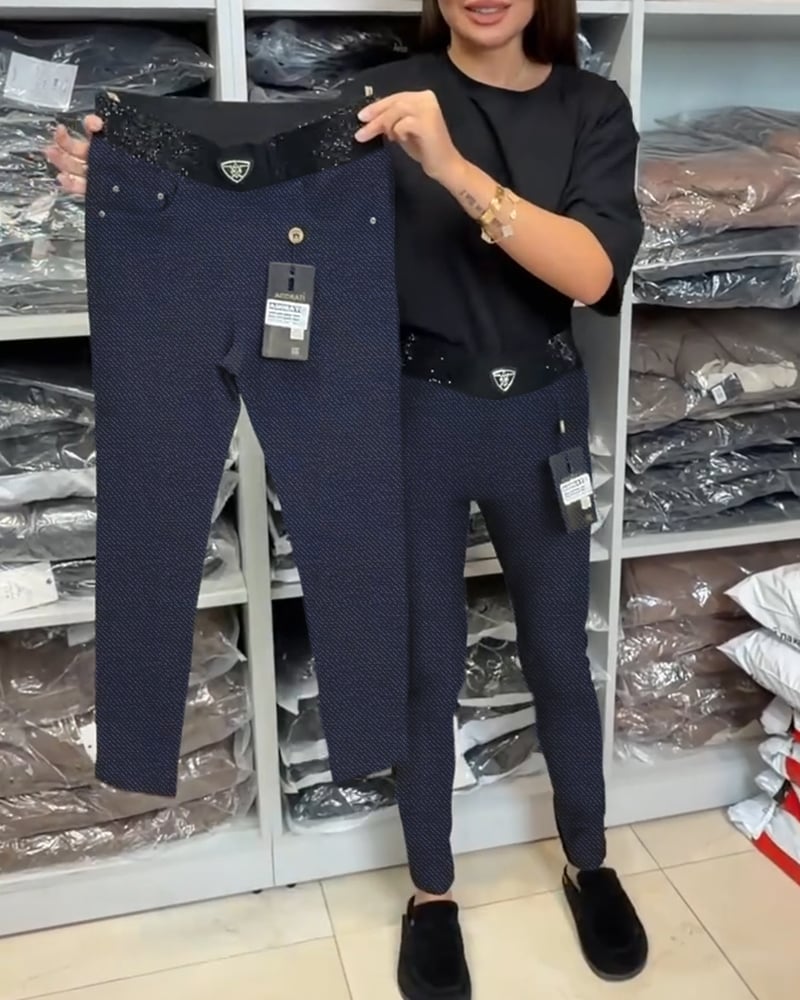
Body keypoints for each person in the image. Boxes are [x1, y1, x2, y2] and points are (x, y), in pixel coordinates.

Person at [48, 1, 647, 997]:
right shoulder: (373, 98)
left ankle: (589, 859)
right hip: (408, 415)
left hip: (541, 417)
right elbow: (237, 174)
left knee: (557, 652)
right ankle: (431, 893)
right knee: (422, 662)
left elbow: (592, 272)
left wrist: (449, 167)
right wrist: (130, 174)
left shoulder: (591, 106)